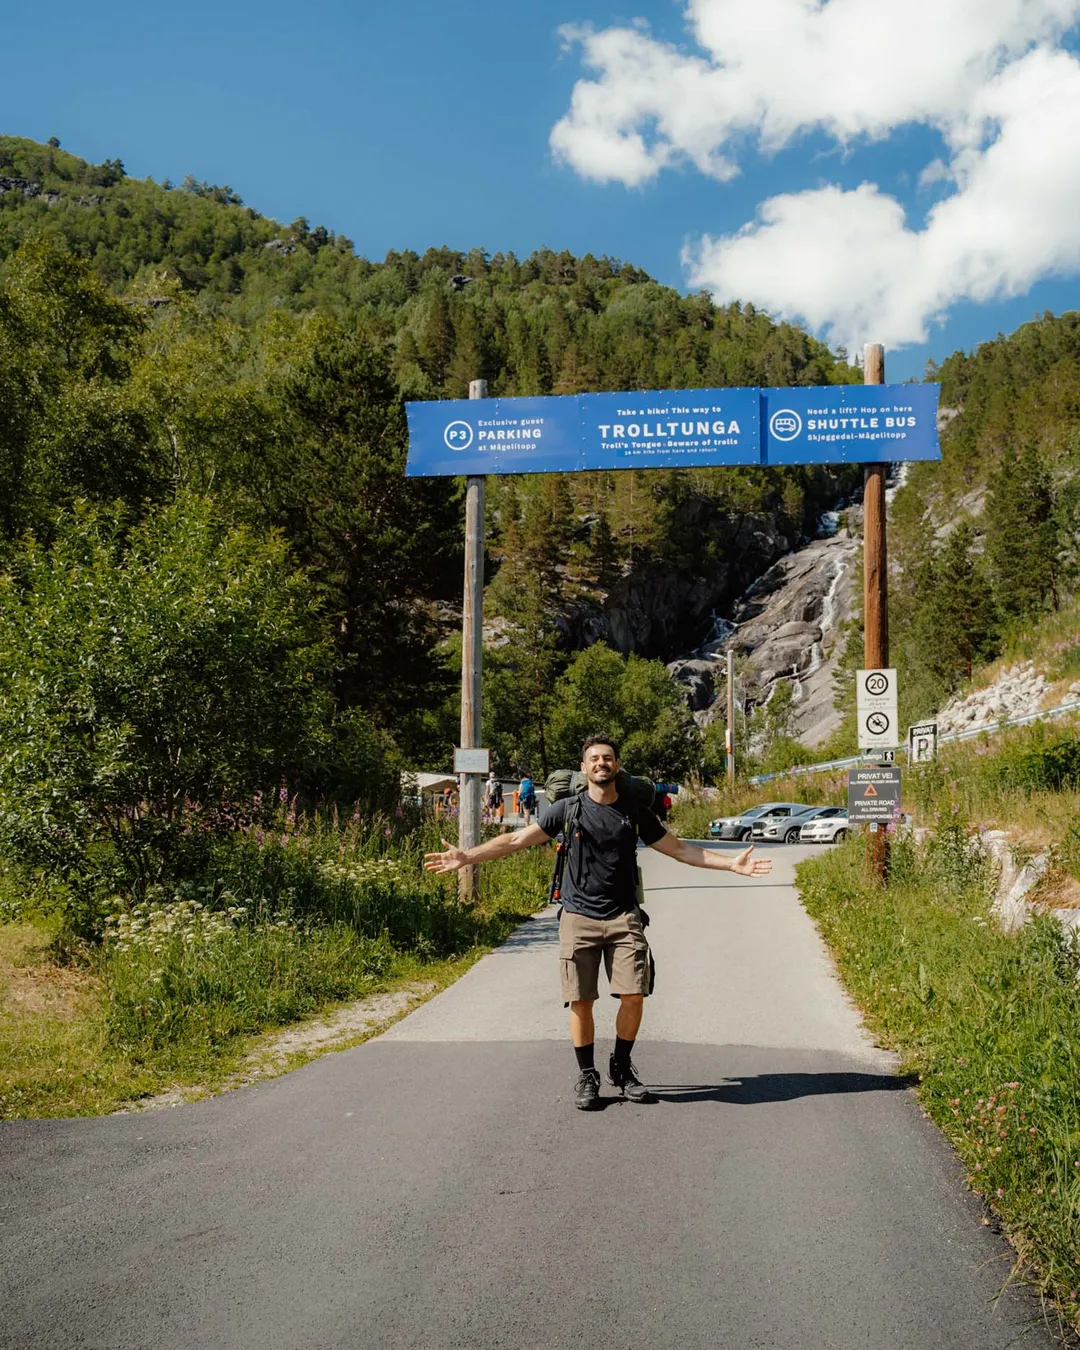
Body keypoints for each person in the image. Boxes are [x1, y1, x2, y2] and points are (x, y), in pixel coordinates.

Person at [425, 735, 773, 1112]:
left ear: (617, 766)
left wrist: (731, 864)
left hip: (624, 915)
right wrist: (467, 857)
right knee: (580, 1000)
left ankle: (621, 1067)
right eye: (594, 759)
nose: (601, 764)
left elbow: (681, 849)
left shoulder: (634, 811)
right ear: (584, 768)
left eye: (607, 758)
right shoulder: (567, 810)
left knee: (634, 994)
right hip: (578, 917)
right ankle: (587, 1075)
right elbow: (515, 839)